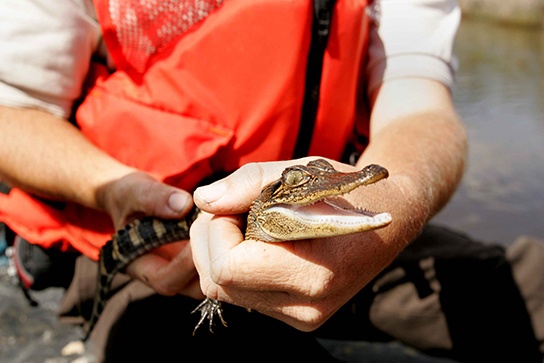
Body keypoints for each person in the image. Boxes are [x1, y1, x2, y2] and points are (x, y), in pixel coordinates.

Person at [0, 0, 479, 361]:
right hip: (139, 240)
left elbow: (421, 106)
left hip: (313, 216)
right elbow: (9, 112)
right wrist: (113, 187)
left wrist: (400, 193)